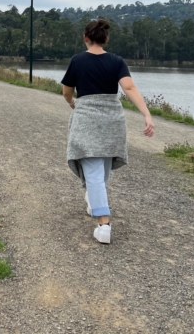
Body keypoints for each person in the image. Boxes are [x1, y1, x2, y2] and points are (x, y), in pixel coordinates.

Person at [61, 18, 154, 244]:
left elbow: (67, 91)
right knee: (100, 169)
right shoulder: (117, 61)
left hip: (87, 118)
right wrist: (146, 114)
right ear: (106, 38)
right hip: (112, 118)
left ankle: (104, 225)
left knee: (93, 171)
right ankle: (94, 202)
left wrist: (72, 102)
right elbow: (129, 87)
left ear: (86, 38)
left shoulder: (77, 60)